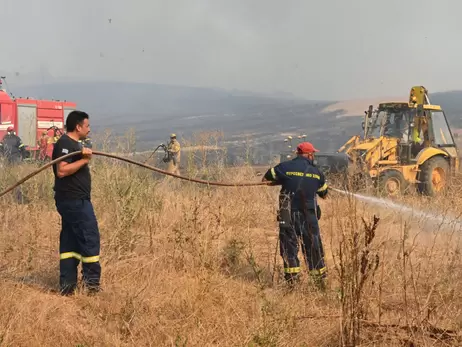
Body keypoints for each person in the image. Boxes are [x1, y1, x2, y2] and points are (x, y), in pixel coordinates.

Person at [262, 141, 328, 289]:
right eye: (313, 154)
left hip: (288, 215)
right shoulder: (317, 173)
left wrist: (280, 181)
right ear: (310, 154)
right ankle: (319, 283)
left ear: (297, 154)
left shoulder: (284, 167)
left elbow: (266, 179)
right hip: (309, 217)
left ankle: (291, 282)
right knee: (313, 247)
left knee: (289, 247)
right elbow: (324, 194)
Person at [52, 110, 101, 295]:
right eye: (87, 126)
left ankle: (68, 286)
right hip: (74, 201)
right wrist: (85, 160)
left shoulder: (75, 144)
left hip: (73, 201)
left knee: (70, 242)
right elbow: (62, 171)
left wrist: (83, 156)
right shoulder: (65, 143)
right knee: (89, 237)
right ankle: (92, 287)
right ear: (78, 126)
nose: (89, 129)